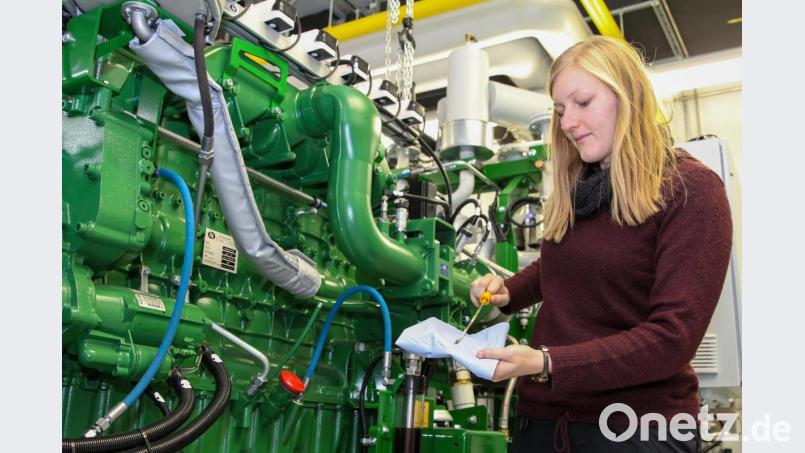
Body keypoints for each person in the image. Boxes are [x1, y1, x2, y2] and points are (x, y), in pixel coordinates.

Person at [470, 36, 732, 452]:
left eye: (583, 102)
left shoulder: (690, 189)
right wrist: (509, 293)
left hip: (632, 428)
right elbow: (564, 266)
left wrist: (549, 362)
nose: (568, 122)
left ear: (627, 97)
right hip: (541, 422)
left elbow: (672, 337)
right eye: (559, 111)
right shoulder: (581, 190)